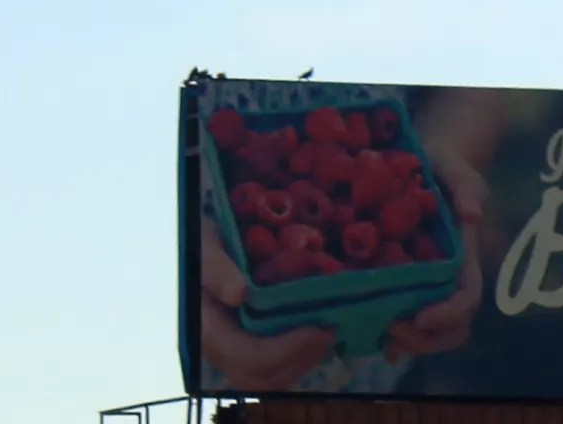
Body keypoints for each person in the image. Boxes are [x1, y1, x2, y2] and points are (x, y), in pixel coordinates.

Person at [195, 81, 508, 394]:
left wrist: (445, 162)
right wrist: (181, 265)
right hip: (228, 393)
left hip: (390, 380)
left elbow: (477, 87)